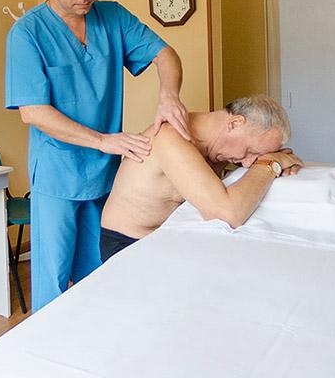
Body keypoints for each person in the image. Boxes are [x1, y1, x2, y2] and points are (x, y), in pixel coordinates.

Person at [5, 0, 190, 311]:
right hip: (57, 174)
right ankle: (50, 341)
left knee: (101, 270)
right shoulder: (27, 33)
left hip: (105, 174)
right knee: (54, 279)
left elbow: (166, 54)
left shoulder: (113, 17)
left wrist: (169, 95)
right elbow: (34, 111)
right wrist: (104, 140)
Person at [100, 95, 304, 261]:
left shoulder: (220, 147)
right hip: (128, 243)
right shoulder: (170, 138)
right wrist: (270, 164)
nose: (249, 162)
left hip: (170, 237)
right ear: (235, 123)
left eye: (258, 156)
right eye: (252, 151)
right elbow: (228, 214)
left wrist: (277, 161)